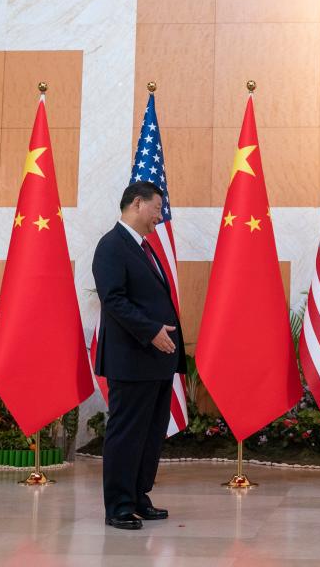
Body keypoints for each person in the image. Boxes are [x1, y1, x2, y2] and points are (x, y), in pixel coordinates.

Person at [92, 181, 187, 530]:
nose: (159, 217)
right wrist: (151, 332)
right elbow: (114, 299)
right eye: (156, 209)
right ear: (136, 203)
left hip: (156, 361)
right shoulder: (111, 246)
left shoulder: (144, 248)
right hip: (131, 360)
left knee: (148, 435)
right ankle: (117, 505)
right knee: (127, 434)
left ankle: (137, 497)